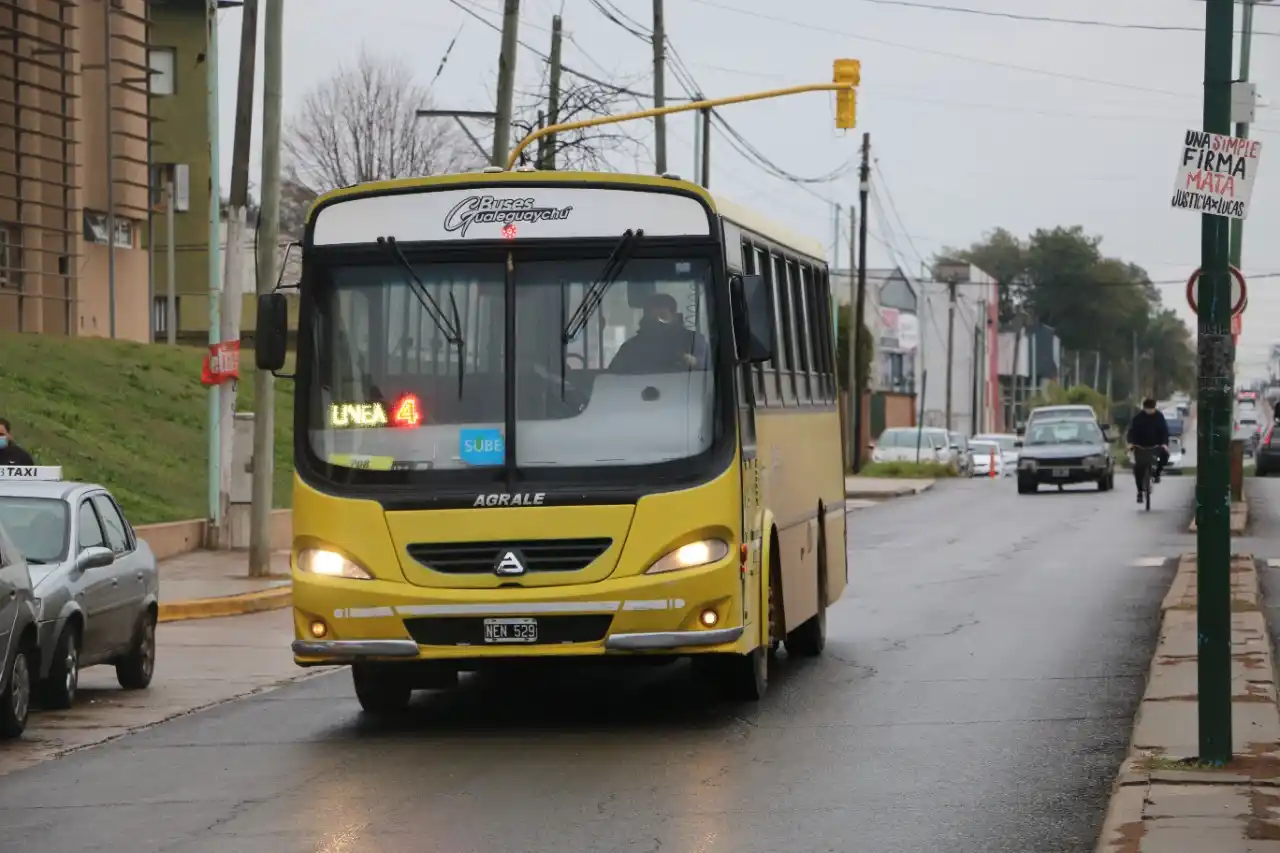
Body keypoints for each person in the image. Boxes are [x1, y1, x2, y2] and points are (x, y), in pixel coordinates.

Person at [608, 292, 709, 374]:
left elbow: (713, 364)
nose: (657, 321)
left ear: (674, 316)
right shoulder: (631, 347)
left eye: (662, 316)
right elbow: (613, 375)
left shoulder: (692, 340)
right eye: (652, 317)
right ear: (645, 318)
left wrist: (694, 361)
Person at [1127, 398, 1169, 503]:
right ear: (1144, 408)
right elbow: (1131, 432)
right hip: (1140, 446)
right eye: (1148, 409)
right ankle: (1140, 491)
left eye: (1152, 408)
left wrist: (1164, 444)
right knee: (1138, 469)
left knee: (1165, 455)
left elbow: (1164, 431)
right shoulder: (1138, 418)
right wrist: (1131, 443)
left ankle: (1158, 473)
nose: (1150, 411)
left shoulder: (1159, 417)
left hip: (1156, 445)